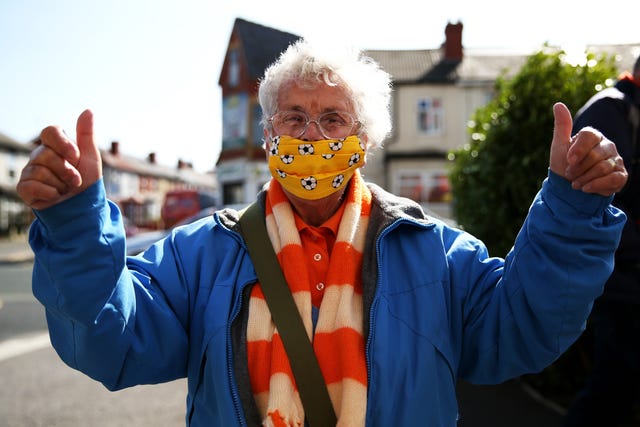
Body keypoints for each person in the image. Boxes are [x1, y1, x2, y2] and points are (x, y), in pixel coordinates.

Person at [17, 39, 628, 426]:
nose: (311, 134)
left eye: (332, 118)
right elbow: (111, 342)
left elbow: (518, 330)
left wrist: (570, 211)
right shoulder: (200, 254)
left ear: (362, 144)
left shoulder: (436, 253)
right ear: (268, 137)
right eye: (294, 117)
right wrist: (74, 223)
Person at [563, 55, 640, 427]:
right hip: (623, 283)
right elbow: (592, 201)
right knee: (612, 390)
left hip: (626, 277)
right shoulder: (612, 110)